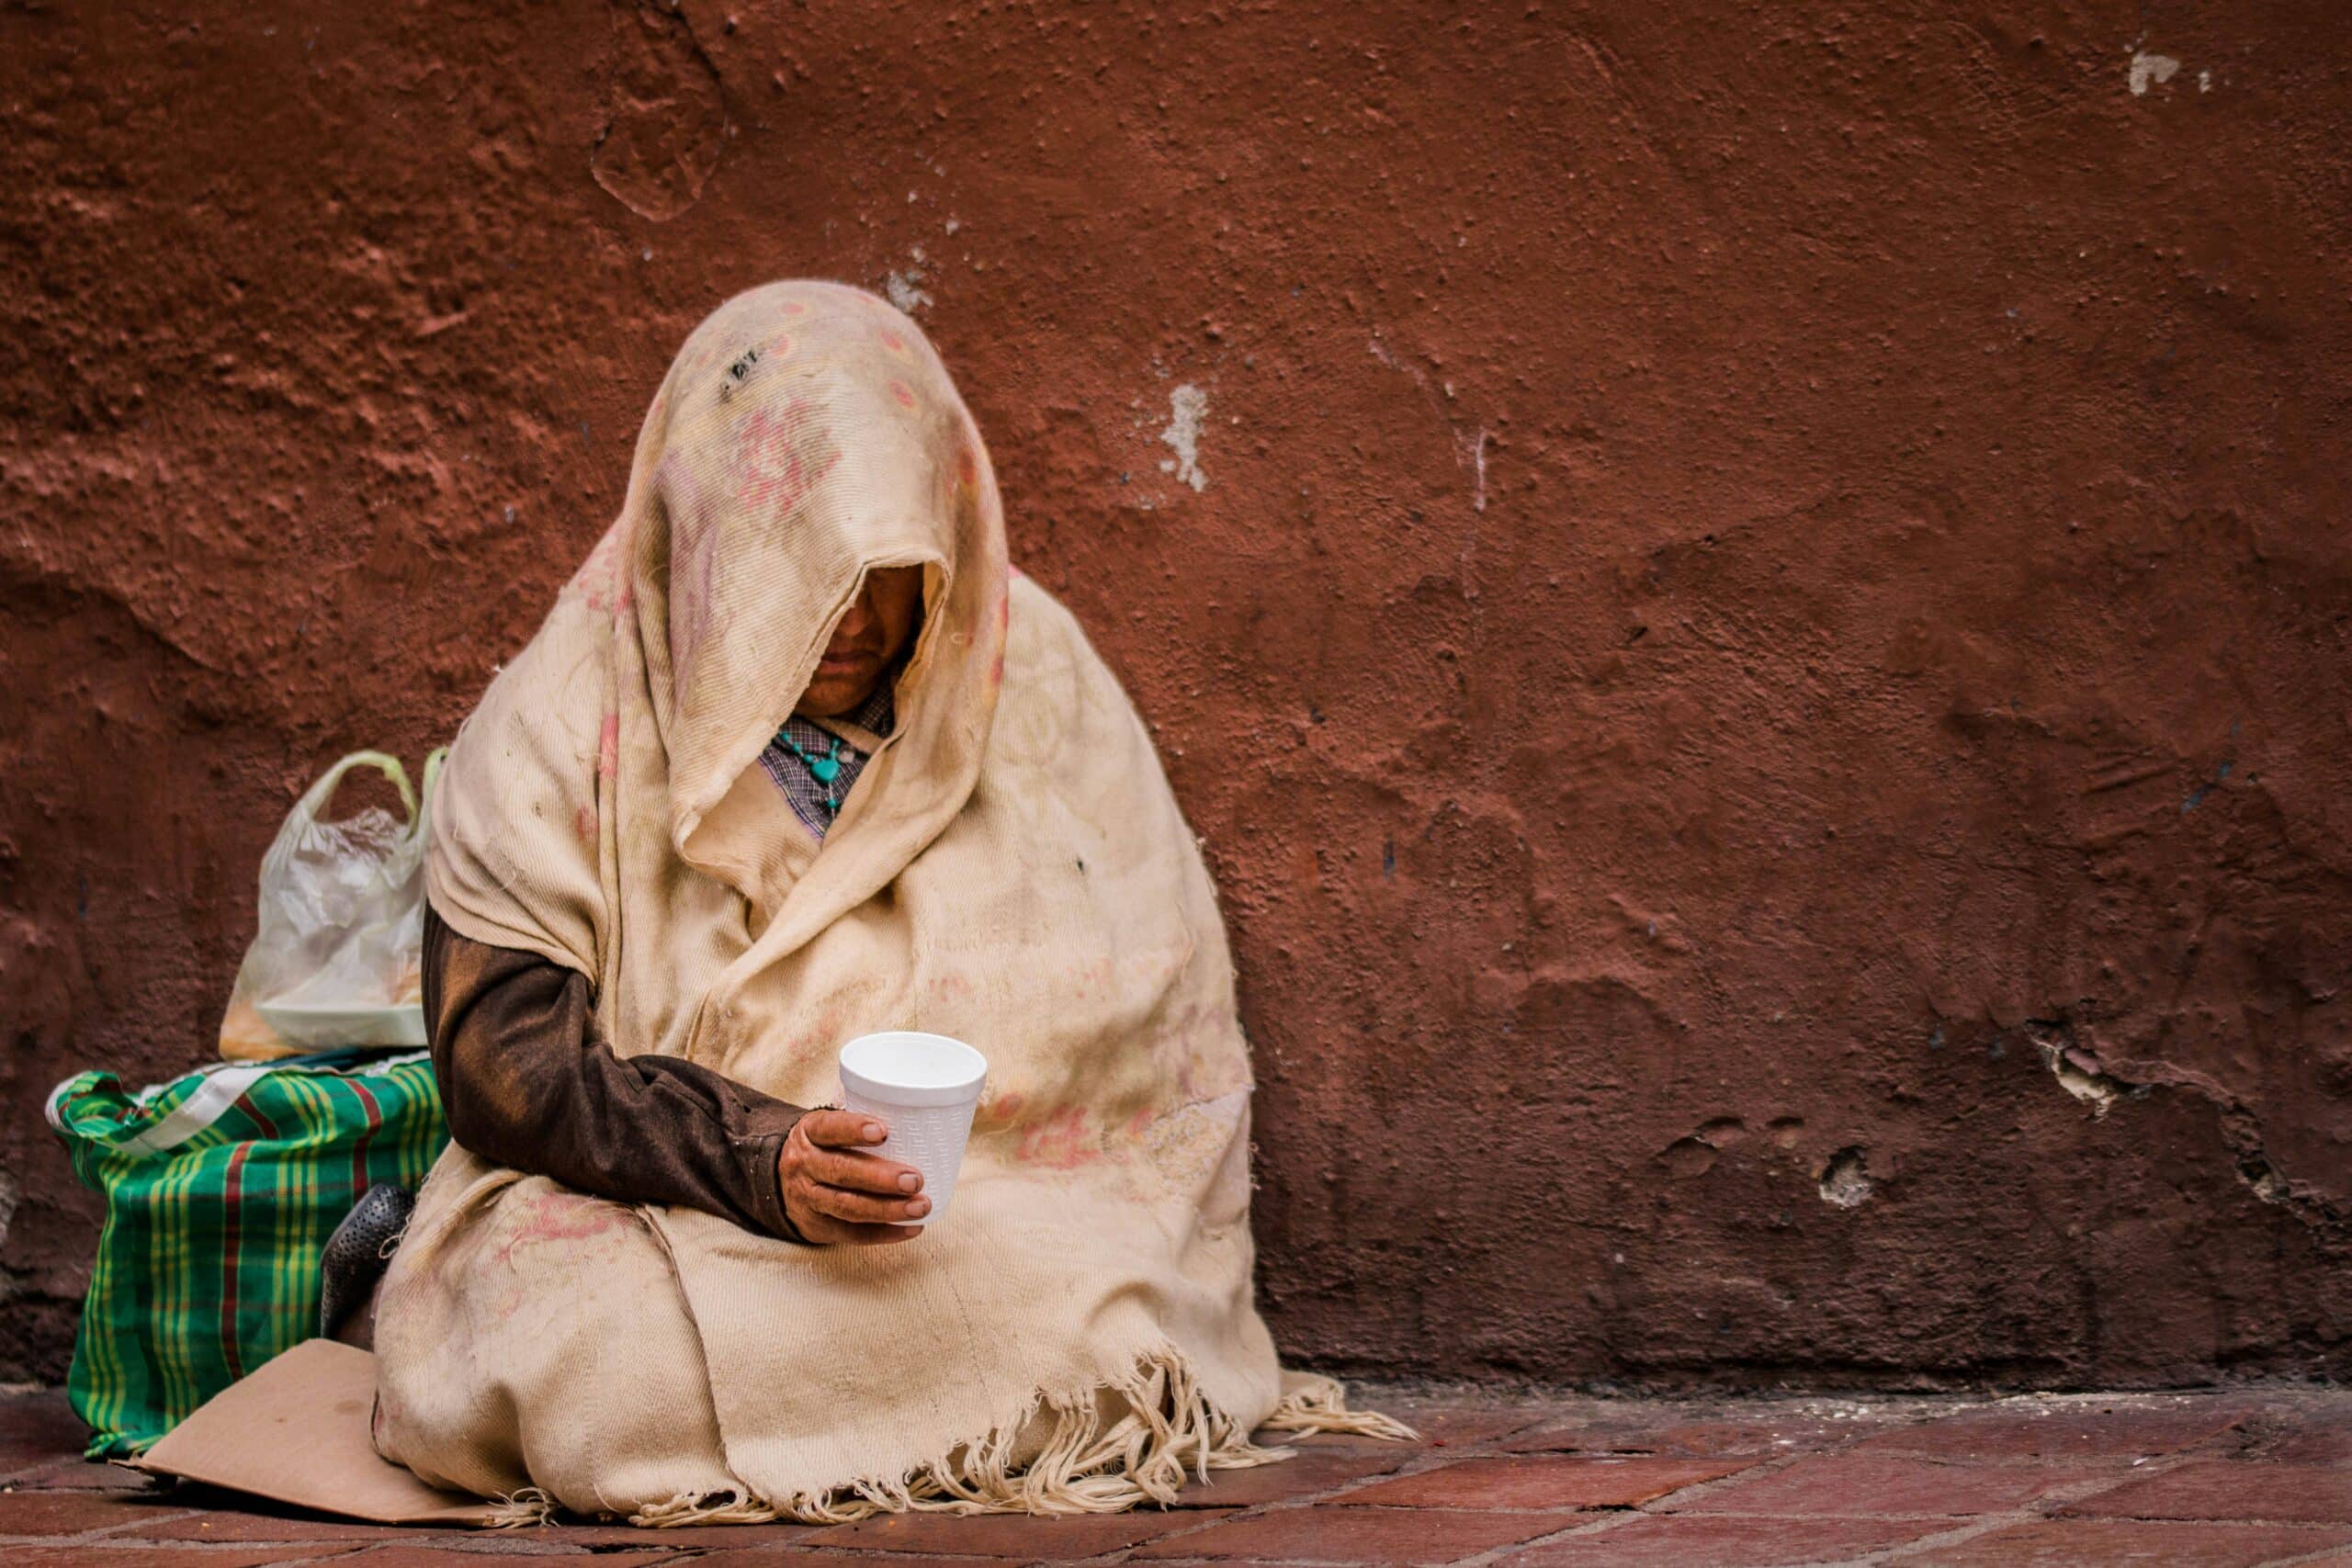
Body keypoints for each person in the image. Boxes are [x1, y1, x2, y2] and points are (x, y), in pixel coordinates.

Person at [360, 281, 1400, 1525]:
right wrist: (761, 1159)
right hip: (653, 1204)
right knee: (596, 1372)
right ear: (704, 544)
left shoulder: (1037, 683)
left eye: (882, 573)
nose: (847, 622)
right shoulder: (561, 721)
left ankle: (885, 1397)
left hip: (976, 1219)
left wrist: (881, 1185)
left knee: (1119, 1323)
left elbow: (1141, 1061)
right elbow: (503, 1070)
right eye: (793, 571)